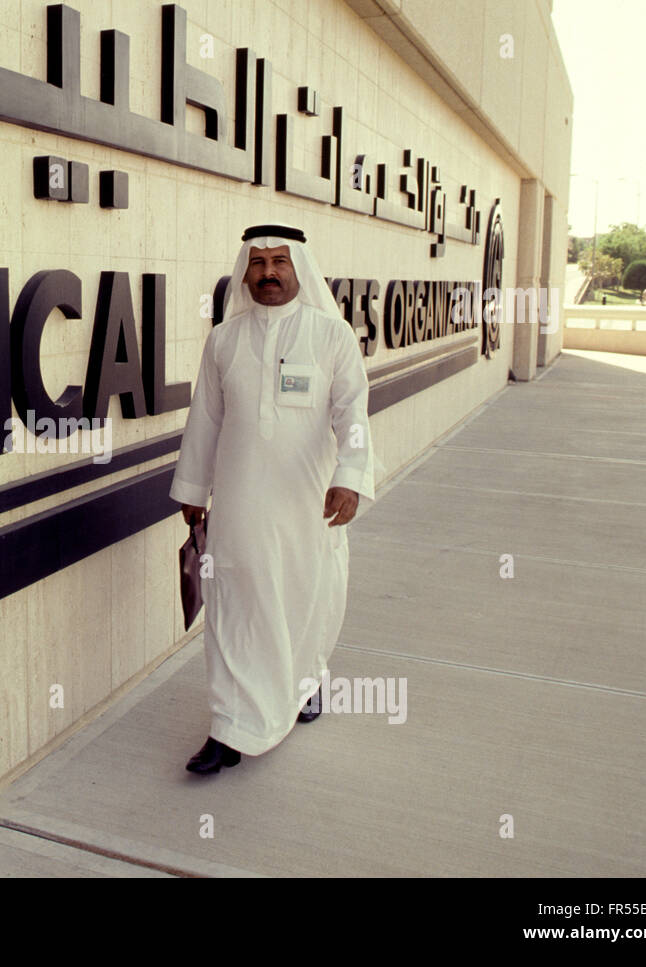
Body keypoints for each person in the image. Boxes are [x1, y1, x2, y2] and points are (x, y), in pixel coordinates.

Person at [169, 224, 376, 774]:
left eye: (279, 262)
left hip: (306, 503)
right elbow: (205, 420)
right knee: (234, 606)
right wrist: (193, 490)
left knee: (302, 600)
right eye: (257, 263)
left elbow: (352, 414)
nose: (268, 273)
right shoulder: (224, 340)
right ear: (245, 272)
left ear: (298, 269)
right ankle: (230, 726)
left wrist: (351, 475)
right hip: (238, 505)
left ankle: (305, 681)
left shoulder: (331, 337)